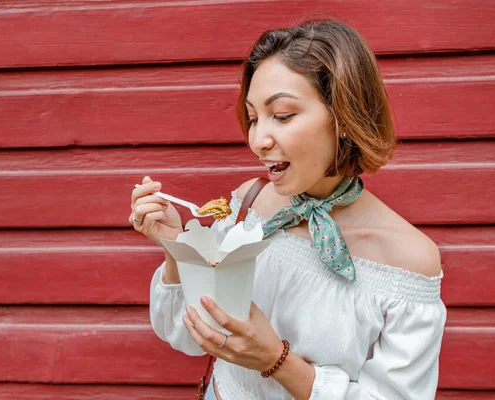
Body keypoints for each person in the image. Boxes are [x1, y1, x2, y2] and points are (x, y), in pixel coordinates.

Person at [130, 19, 446, 400]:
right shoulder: (249, 204)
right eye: (252, 118)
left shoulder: (408, 263)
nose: (258, 140)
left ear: (344, 117)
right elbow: (188, 336)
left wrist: (274, 360)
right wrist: (176, 248)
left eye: (282, 115)